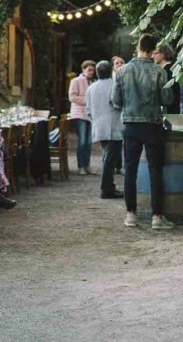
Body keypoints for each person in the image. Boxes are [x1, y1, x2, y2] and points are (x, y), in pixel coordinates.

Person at [112, 33, 174, 230]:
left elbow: (116, 101)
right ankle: (157, 216)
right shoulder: (159, 72)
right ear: (153, 49)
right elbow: (167, 100)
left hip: (130, 124)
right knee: (155, 170)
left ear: (138, 47)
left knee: (129, 170)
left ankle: (131, 214)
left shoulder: (122, 71)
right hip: (153, 125)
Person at [85, 60, 123, 199]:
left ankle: (109, 187)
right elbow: (119, 104)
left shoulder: (91, 88)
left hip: (99, 126)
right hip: (113, 126)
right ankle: (106, 189)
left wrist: (96, 120)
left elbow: (88, 110)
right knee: (110, 159)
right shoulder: (115, 86)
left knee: (108, 158)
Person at [68, 60, 96, 175]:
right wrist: (87, 101)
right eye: (89, 70)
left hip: (90, 115)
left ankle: (87, 164)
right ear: (83, 70)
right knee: (82, 141)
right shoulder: (76, 81)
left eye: (93, 70)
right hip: (79, 114)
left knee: (89, 142)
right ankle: (81, 166)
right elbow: (72, 97)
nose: (91, 72)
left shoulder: (94, 82)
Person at [152, 41, 181, 114]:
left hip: (168, 111)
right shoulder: (172, 68)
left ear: (163, 54)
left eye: (155, 53)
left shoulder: (166, 71)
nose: (152, 56)